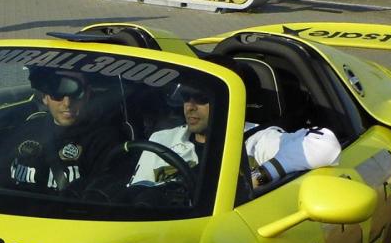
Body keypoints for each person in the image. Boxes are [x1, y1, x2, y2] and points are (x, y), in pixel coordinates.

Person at [130, 82, 341, 192]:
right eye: (187, 98)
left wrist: (257, 177)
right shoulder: (161, 140)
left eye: (202, 100)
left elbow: (324, 145)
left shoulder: (257, 139)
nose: (190, 107)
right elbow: (137, 193)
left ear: (227, 102)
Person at [10, 67, 127, 191]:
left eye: (76, 93)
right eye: (58, 93)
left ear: (87, 95)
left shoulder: (103, 141)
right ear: (45, 96)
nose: (67, 103)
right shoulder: (25, 130)